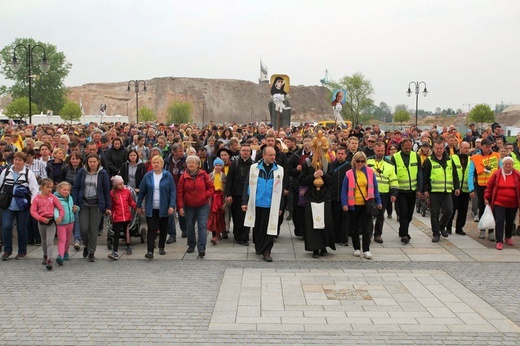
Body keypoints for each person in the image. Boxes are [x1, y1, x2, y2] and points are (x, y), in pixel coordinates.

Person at [242, 147, 284, 262]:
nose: (273, 157)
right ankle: (259, 246)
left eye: (274, 155)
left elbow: (281, 189)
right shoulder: (254, 168)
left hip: (271, 204)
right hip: (256, 203)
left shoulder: (279, 170)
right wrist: (244, 202)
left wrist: (280, 206)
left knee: (269, 228)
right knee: (258, 228)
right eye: (270, 155)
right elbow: (247, 185)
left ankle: (267, 251)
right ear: (264, 156)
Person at [299, 133, 336, 258]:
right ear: (313, 150)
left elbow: (332, 181)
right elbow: (302, 181)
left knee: (325, 222)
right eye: (317, 150)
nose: (319, 153)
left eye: (322, 150)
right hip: (312, 197)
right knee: (313, 224)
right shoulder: (307, 163)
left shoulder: (328, 164)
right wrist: (312, 176)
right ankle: (315, 248)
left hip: (324, 197)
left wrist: (324, 175)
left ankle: (324, 246)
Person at [341, 151, 382, 259]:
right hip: (353, 204)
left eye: (362, 161)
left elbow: (375, 187)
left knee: (367, 228)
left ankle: (366, 249)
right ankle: (356, 248)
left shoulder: (369, 172)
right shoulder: (349, 173)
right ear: (354, 161)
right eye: (358, 161)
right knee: (354, 227)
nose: (360, 163)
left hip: (367, 204)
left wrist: (378, 201)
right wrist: (344, 203)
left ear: (365, 162)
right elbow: (344, 189)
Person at [72, 153, 112, 262]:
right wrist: (75, 202)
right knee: (83, 228)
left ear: (98, 162)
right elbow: (76, 188)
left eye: (94, 161)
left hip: (96, 204)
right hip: (83, 203)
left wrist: (108, 207)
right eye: (90, 162)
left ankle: (91, 252)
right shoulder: (82, 172)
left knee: (93, 229)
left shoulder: (103, 173)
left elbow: (106, 191)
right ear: (87, 162)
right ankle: (86, 245)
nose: (92, 164)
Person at [0, 152, 40, 260]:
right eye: (15, 159)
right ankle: (7, 250)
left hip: (23, 205)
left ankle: (22, 251)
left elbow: (34, 190)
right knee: (6, 227)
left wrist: (32, 203)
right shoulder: (6, 172)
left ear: (24, 162)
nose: (17, 162)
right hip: (8, 204)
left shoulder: (28, 173)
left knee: (21, 228)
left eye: (19, 160)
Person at [137, 155, 176, 260]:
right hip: (151, 207)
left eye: (158, 162)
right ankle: (150, 251)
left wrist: (172, 205)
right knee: (152, 229)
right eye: (154, 162)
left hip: (164, 207)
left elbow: (172, 191)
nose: (156, 164)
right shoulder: (148, 176)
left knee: (163, 228)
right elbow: (142, 192)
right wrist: (139, 205)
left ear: (162, 164)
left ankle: (161, 246)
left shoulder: (168, 176)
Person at [421, 140, 460, 242]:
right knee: (435, 213)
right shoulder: (429, 161)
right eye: (437, 148)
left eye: (441, 148)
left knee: (449, 210)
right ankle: (436, 233)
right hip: (434, 191)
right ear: (433, 149)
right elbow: (425, 177)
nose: (439, 150)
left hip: (447, 190)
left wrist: (457, 187)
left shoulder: (450, 160)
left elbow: (455, 174)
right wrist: (425, 190)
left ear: (444, 148)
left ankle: (442, 226)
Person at [177, 155, 214, 258]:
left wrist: (205, 196)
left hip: (203, 205)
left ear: (198, 165)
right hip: (188, 205)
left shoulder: (203, 175)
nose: (191, 165)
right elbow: (179, 193)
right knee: (189, 226)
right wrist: (180, 206)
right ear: (186, 165)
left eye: (193, 163)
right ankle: (191, 244)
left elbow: (211, 188)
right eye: (189, 163)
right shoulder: (183, 177)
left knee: (202, 226)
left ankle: (201, 247)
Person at [468, 138, 501, 240]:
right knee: (482, 207)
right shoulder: (475, 158)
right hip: (481, 186)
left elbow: (500, 170)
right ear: (481, 146)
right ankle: (482, 229)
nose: (488, 148)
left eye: (490, 146)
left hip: (493, 187)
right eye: (486, 146)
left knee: (493, 208)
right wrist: (471, 189)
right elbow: (470, 174)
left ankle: (491, 231)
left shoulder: (496, 156)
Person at [484, 156, 520, 250]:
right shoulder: (497, 173)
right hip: (499, 202)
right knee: (499, 220)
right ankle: (499, 241)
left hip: (513, 203)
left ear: (512, 165)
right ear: (502, 164)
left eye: (510, 164)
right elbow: (490, 186)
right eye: (506, 164)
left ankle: (508, 237)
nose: (508, 165)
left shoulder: (517, 174)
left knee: (510, 220)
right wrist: (486, 197)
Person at [391, 139, 423, 244]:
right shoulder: (395, 157)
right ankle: (405, 234)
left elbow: (419, 173)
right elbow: (393, 174)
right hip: (401, 191)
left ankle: (402, 229)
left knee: (409, 214)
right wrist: (394, 190)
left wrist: (419, 189)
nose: (408, 150)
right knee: (403, 212)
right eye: (406, 148)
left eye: (410, 148)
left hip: (412, 191)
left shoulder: (416, 156)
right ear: (402, 147)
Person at [30, 178, 65, 270]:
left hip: (51, 222)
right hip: (41, 222)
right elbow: (33, 211)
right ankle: (45, 255)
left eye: (51, 187)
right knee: (44, 240)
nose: (50, 189)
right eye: (48, 187)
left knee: (50, 240)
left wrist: (60, 217)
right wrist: (40, 218)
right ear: (42, 187)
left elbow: (61, 208)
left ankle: (50, 259)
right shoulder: (36, 199)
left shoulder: (53, 197)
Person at [367, 142, 398, 244]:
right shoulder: (368, 161)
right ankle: (368, 233)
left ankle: (378, 234)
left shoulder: (390, 164)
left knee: (380, 215)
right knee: (369, 215)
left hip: (383, 192)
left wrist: (393, 193)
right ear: (374, 150)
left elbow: (393, 179)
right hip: (370, 193)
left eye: (382, 151)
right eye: (378, 151)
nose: (380, 153)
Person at [224, 143, 253, 245]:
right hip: (236, 194)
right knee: (237, 217)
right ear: (240, 151)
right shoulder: (235, 164)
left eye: (247, 151)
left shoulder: (253, 165)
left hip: (248, 195)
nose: (245, 152)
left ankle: (244, 237)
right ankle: (237, 236)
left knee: (246, 216)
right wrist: (228, 194)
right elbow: (229, 180)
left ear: (250, 152)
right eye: (244, 150)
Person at [59, 151, 84, 250]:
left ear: (80, 160)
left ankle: (77, 238)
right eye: (73, 158)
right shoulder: (65, 169)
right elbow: (61, 182)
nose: (75, 160)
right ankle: (69, 238)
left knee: (77, 215)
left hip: (78, 195)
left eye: (77, 158)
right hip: (67, 196)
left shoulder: (83, 170)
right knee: (69, 216)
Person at [108, 175, 137, 260]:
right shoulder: (112, 193)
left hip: (126, 216)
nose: (122, 185)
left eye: (123, 183)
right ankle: (115, 251)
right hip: (117, 216)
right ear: (115, 185)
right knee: (116, 234)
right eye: (119, 184)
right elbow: (111, 205)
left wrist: (136, 207)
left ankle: (128, 245)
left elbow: (131, 202)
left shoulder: (127, 191)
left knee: (127, 232)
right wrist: (109, 211)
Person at [447, 141, 471, 235]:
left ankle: (459, 228)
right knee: (452, 209)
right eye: (465, 148)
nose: (467, 150)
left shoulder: (471, 159)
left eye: (468, 148)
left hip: (465, 188)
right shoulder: (453, 158)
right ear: (460, 148)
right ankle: (448, 227)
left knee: (463, 210)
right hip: (454, 188)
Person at [328, 146, 350, 246]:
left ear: (345, 155)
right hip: (333, 196)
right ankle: (334, 237)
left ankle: (344, 238)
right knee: (333, 218)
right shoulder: (331, 165)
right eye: (339, 154)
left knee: (344, 219)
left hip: (344, 197)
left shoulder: (349, 166)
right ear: (336, 154)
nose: (340, 156)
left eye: (342, 154)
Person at [54, 181, 77, 266]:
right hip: (61, 223)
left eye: (68, 190)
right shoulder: (56, 199)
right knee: (62, 240)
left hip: (71, 222)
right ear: (59, 190)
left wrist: (76, 208)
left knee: (68, 240)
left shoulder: (70, 198)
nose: (66, 191)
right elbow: (55, 209)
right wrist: (57, 217)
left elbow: (72, 207)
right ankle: (60, 255)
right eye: (64, 190)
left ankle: (66, 253)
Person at [207, 158, 226, 245]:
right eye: (216, 165)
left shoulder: (224, 176)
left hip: (220, 198)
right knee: (213, 216)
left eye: (219, 165)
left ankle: (218, 232)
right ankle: (214, 235)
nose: (218, 167)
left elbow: (225, 188)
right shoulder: (210, 176)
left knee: (219, 216)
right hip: (212, 198)